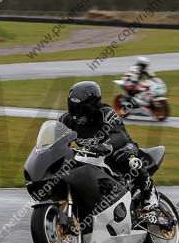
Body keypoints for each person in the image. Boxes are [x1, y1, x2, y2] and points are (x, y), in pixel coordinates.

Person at [59, 81, 158, 210]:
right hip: (90, 155)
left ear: (92, 105)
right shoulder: (66, 120)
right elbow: (55, 139)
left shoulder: (105, 113)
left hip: (122, 146)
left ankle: (149, 192)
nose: (77, 114)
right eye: (73, 108)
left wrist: (106, 146)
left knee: (123, 155)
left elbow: (119, 135)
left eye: (82, 109)